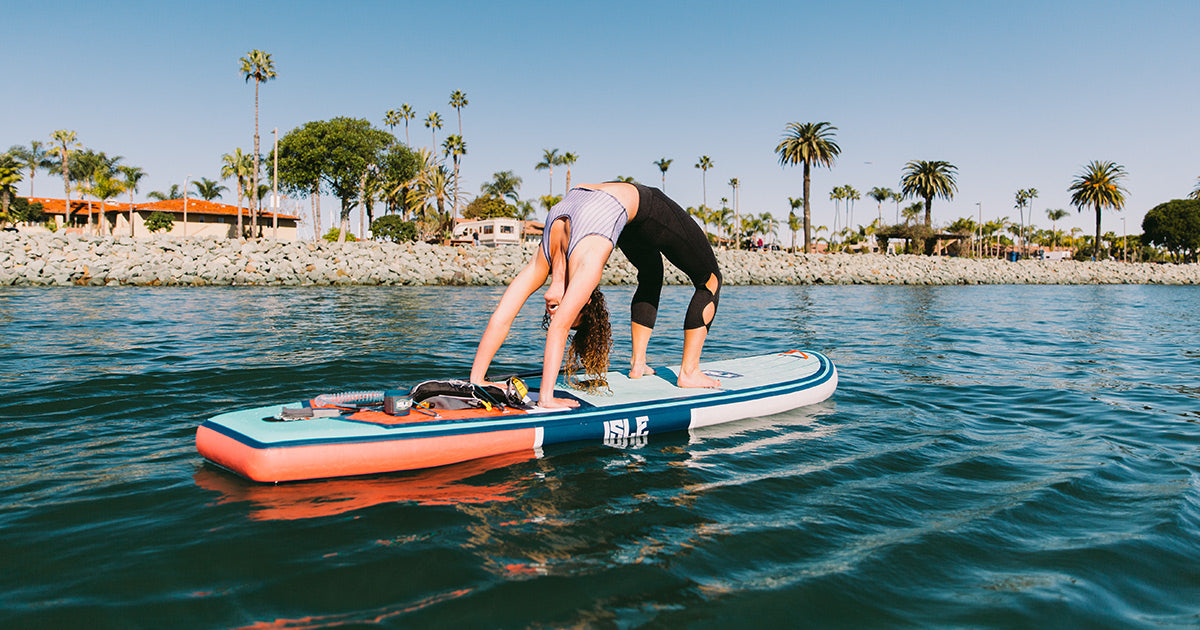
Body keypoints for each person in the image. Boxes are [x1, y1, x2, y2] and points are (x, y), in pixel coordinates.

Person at [469, 182, 722, 409]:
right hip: (632, 208)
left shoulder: (543, 262)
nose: (557, 312)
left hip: (633, 208)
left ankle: (671, 368)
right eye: (572, 312)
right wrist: (477, 380)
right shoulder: (586, 266)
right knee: (704, 279)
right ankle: (658, 367)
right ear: (586, 299)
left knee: (675, 275)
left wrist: (545, 397)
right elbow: (511, 318)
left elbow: (532, 322)